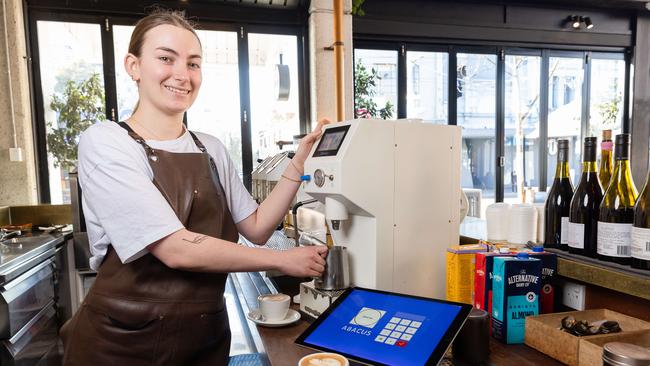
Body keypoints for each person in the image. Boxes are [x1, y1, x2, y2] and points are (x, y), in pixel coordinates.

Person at [60, 9, 329, 365]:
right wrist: (284, 261)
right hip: (121, 345)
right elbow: (174, 248)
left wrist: (300, 161)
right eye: (165, 58)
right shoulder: (106, 141)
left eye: (193, 63)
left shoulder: (211, 148)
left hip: (204, 340)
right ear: (133, 65)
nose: (182, 75)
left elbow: (259, 228)